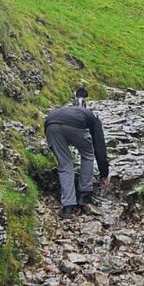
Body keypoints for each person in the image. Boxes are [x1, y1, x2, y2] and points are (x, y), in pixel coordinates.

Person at [44, 89, 110, 219]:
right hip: (76, 125)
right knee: (87, 154)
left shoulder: (67, 110)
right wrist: (104, 174)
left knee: (65, 165)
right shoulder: (93, 118)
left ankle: (67, 207)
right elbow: (100, 148)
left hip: (50, 124)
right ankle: (84, 195)